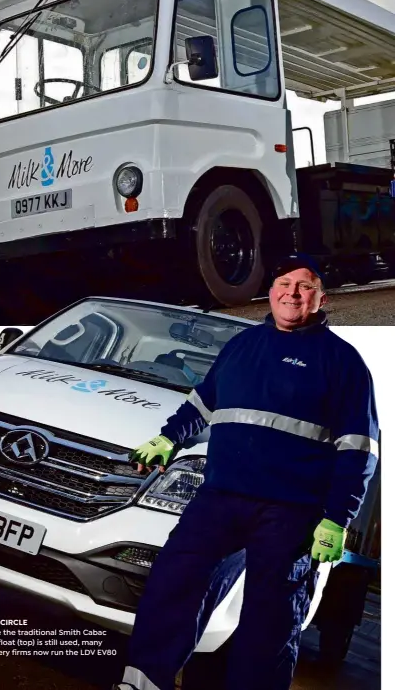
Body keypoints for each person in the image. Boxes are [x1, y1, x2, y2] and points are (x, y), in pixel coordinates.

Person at [113, 254, 379, 690]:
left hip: (291, 511)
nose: (292, 292)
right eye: (283, 282)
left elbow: (359, 447)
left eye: (304, 285)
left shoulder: (343, 362)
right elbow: (203, 402)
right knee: (174, 582)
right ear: (270, 291)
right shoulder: (242, 345)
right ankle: (142, 682)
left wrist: (337, 519)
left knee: (270, 617)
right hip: (221, 497)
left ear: (322, 298)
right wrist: (168, 438)